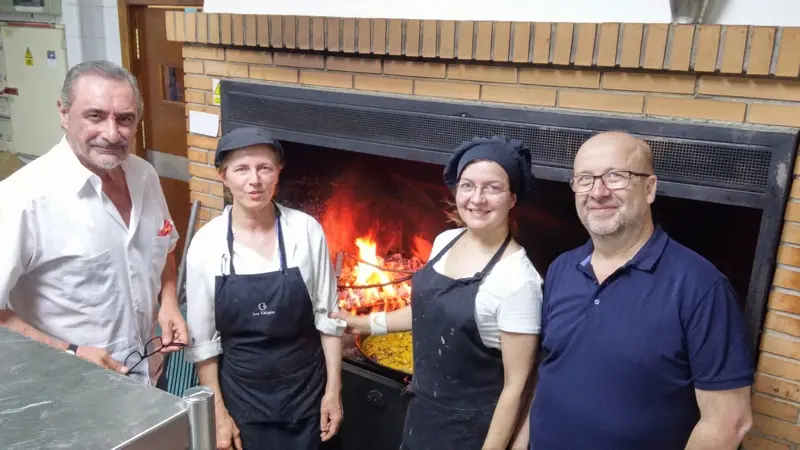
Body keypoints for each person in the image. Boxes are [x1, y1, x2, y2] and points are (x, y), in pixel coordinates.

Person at [529, 131, 754, 450]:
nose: (598, 191)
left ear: (649, 188)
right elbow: (548, 373)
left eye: (615, 176)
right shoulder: (561, 269)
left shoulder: (701, 288)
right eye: (585, 179)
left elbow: (729, 422)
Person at [333, 136, 542, 450]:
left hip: (471, 430)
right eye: (468, 185)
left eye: (493, 188)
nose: (477, 198)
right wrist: (363, 323)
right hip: (422, 412)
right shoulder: (446, 240)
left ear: (513, 198)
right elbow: (430, 309)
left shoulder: (518, 282)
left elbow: (517, 386)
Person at [0, 60, 189, 388]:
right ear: (63, 113)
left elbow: (165, 248)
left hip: (148, 376)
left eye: (125, 119)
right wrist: (69, 352)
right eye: (95, 116)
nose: (112, 133)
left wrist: (169, 304)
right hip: (69, 390)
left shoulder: (144, 176)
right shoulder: (22, 199)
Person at [184, 127, 346, 450]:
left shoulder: (306, 231)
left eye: (264, 168)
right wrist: (219, 413)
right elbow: (203, 345)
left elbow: (329, 319)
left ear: (278, 173)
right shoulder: (206, 244)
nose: (254, 180)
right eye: (241, 169)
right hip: (241, 404)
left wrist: (333, 392)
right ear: (223, 176)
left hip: (307, 400)